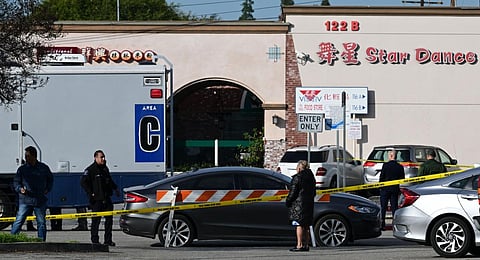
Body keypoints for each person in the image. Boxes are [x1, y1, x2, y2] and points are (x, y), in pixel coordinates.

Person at [10, 146, 53, 241]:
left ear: (34, 156)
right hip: (25, 199)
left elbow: (50, 179)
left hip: (39, 199)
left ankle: (41, 241)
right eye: (25, 156)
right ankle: (11, 239)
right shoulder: (22, 169)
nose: (26, 158)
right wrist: (20, 189)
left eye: (28, 156)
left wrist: (48, 188)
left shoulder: (43, 168)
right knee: (19, 220)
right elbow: (16, 182)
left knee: (41, 222)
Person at [81, 150, 119, 246]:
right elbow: (83, 182)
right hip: (96, 200)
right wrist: (91, 194)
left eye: (103, 157)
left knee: (109, 221)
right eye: (101, 157)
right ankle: (95, 240)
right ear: (95, 158)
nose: (103, 159)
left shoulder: (105, 169)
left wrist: (115, 189)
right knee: (95, 221)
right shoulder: (91, 170)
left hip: (106, 199)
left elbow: (109, 180)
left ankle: (108, 240)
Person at [285, 160, 316, 252]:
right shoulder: (311, 178)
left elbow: (293, 192)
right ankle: (306, 245)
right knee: (306, 225)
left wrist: (288, 201)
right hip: (309, 203)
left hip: (299, 204)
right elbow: (314, 191)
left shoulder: (297, 178)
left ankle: (299, 244)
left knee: (299, 224)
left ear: (299, 168)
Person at [379, 149, 405, 230]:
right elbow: (402, 178)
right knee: (394, 207)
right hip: (394, 189)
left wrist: (380, 186)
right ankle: (395, 224)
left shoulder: (385, 165)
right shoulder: (400, 166)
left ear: (390, 156)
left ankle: (382, 224)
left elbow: (382, 177)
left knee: (383, 207)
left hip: (385, 189)